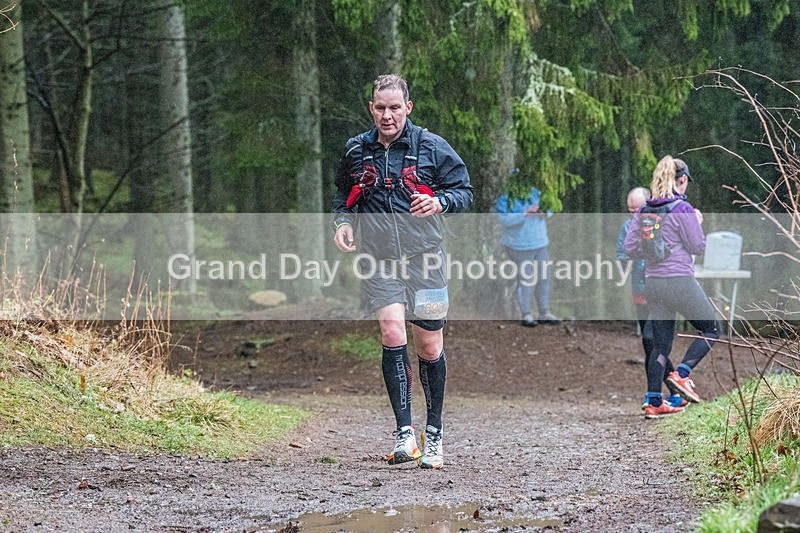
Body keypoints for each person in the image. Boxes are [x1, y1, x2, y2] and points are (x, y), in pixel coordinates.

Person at [332, 74, 473, 468]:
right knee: (392, 332)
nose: (387, 115)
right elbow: (341, 196)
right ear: (371, 108)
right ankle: (404, 435)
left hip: (426, 261)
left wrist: (441, 202)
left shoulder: (431, 146)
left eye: (395, 108)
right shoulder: (356, 150)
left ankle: (436, 434)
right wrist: (342, 223)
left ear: (407, 108)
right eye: (380, 107)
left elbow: (465, 191)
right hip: (379, 262)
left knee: (429, 346)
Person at [623, 156, 720, 419]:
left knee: (660, 346)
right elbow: (698, 247)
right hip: (679, 280)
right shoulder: (682, 209)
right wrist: (696, 222)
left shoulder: (645, 210)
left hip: (653, 283)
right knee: (711, 328)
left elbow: (629, 248)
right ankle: (683, 374)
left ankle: (654, 401)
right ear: (682, 180)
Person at [617, 187, 686, 410]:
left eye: (637, 209)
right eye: (630, 211)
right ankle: (668, 393)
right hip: (640, 289)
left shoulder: (663, 223)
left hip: (661, 288)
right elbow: (621, 255)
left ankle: (664, 393)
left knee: (654, 340)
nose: (634, 215)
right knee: (649, 344)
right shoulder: (628, 227)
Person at [496, 184, 560, 327]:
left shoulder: (535, 193)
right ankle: (526, 314)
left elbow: (549, 209)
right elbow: (504, 220)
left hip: (540, 243)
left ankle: (544, 312)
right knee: (525, 279)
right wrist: (524, 213)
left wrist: (542, 211)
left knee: (545, 277)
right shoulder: (506, 199)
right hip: (519, 246)